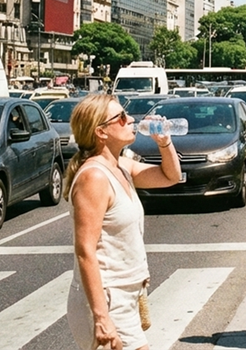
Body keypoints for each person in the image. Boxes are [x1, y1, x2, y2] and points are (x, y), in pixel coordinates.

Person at [65, 95, 182, 350]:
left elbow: (170, 176)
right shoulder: (94, 177)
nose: (130, 119)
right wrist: (101, 317)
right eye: (120, 117)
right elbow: (85, 251)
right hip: (107, 298)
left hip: (125, 295)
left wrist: (164, 142)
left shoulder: (121, 166)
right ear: (101, 132)